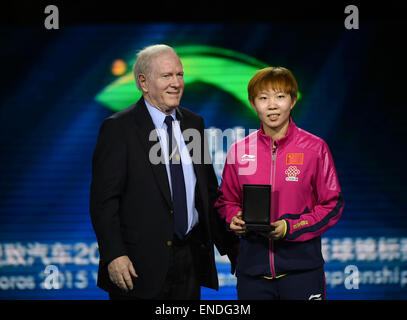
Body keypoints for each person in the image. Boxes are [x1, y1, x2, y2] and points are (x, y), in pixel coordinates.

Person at [90, 44, 235, 300]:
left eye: (179, 75)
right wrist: (114, 254)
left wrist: (234, 249)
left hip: (189, 259)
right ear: (143, 82)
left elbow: (207, 193)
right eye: (167, 76)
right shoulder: (118, 128)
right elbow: (104, 201)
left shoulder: (194, 123)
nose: (177, 83)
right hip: (137, 266)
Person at [214, 66, 344, 300]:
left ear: (293, 101)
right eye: (263, 98)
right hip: (253, 274)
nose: (272, 105)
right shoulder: (239, 151)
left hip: (302, 272)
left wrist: (290, 227)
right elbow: (226, 201)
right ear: (253, 104)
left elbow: (331, 205)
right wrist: (233, 217)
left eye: (280, 97)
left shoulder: (315, 149)